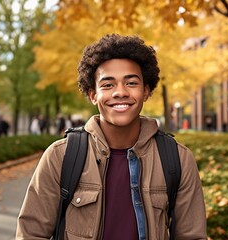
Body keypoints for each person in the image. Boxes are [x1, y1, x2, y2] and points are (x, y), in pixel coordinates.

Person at [16, 34, 207, 239]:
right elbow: (31, 234)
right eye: (108, 85)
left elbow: (192, 236)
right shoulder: (61, 156)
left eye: (131, 83)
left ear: (146, 91)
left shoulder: (177, 159)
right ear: (93, 95)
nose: (120, 92)